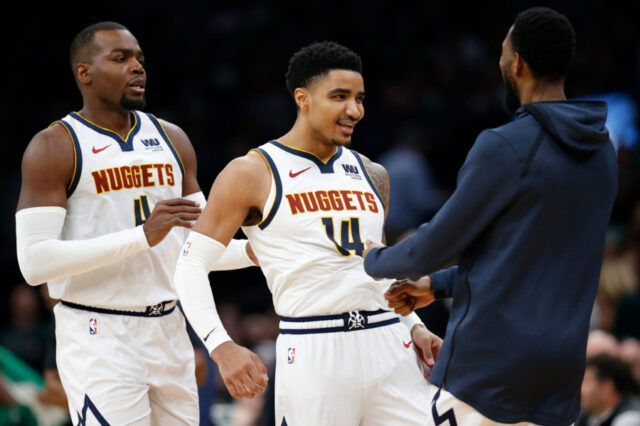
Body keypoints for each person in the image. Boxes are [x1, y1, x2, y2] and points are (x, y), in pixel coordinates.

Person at [363, 7, 618, 426]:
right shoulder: (603, 153)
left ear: (517, 63)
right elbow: (531, 254)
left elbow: (434, 244)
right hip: (562, 371)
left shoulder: (506, 145)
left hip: (489, 367)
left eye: (503, 51)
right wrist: (439, 284)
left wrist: (373, 258)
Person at [174, 41, 442, 425]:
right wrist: (220, 347)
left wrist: (415, 326)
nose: (354, 110)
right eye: (340, 97)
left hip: (390, 344)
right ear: (303, 98)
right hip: (315, 349)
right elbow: (190, 266)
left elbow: (374, 269)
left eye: (360, 98)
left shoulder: (373, 173)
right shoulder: (251, 172)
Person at [15, 22, 256, 424]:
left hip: (169, 328)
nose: (137, 67)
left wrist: (258, 251)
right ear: (84, 72)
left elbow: (200, 249)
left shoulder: (173, 139)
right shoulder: (54, 146)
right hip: (99, 333)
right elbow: (34, 263)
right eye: (121, 58)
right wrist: (142, 236)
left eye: (140, 59)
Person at [577, 354, 640, 426]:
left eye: (587, 382)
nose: (580, 390)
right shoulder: (589, 417)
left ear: (607, 388)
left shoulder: (629, 419)